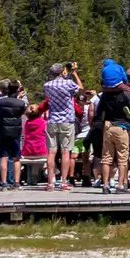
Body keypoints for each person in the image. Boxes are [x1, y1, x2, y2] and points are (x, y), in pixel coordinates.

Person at [43, 63, 81, 191]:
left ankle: (50, 183)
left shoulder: (47, 86)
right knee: (65, 152)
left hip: (53, 120)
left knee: (51, 152)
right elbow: (80, 88)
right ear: (62, 71)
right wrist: (74, 73)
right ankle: (64, 182)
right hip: (67, 120)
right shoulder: (68, 83)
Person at [95, 71, 130, 193]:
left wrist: (101, 124)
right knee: (122, 157)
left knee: (106, 157)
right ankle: (120, 185)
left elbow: (98, 111)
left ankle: (105, 185)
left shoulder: (105, 96)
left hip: (108, 126)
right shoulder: (125, 94)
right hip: (122, 126)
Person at [0, 79, 26, 191]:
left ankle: (4, 183)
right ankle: (16, 183)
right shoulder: (21, 103)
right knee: (16, 158)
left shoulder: (1, 102)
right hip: (15, 132)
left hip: (3, 131)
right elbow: (21, 113)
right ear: (17, 90)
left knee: (4, 157)